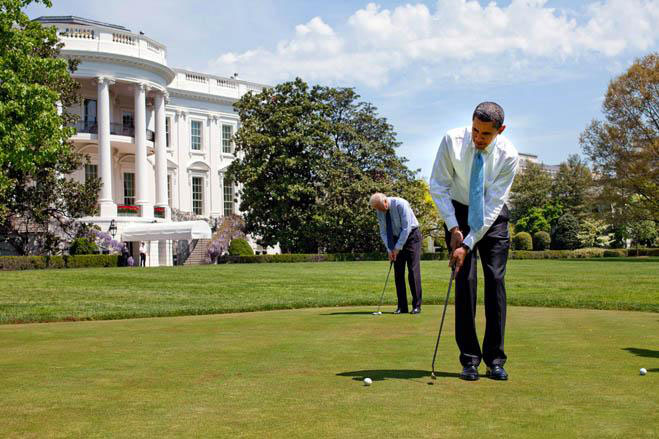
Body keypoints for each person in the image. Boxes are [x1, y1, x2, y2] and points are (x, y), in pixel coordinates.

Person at [429, 102, 519, 381]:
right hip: (457, 210)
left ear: (500, 130)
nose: (478, 138)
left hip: (492, 218)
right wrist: (454, 226)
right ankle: (469, 359)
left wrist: (468, 243)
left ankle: (495, 360)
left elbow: (492, 206)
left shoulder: (509, 156)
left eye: (485, 134)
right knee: (465, 282)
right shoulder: (451, 140)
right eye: (475, 130)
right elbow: (438, 185)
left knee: (494, 281)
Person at [370, 193, 423, 314]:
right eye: (376, 209)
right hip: (394, 239)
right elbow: (383, 232)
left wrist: (397, 248)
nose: (379, 211)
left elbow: (406, 228)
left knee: (413, 271)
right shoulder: (380, 210)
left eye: (379, 207)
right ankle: (402, 307)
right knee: (398, 273)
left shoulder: (401, 204)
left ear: (385, 201)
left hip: (411, 237)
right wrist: (390, 249)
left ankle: (417, 306)